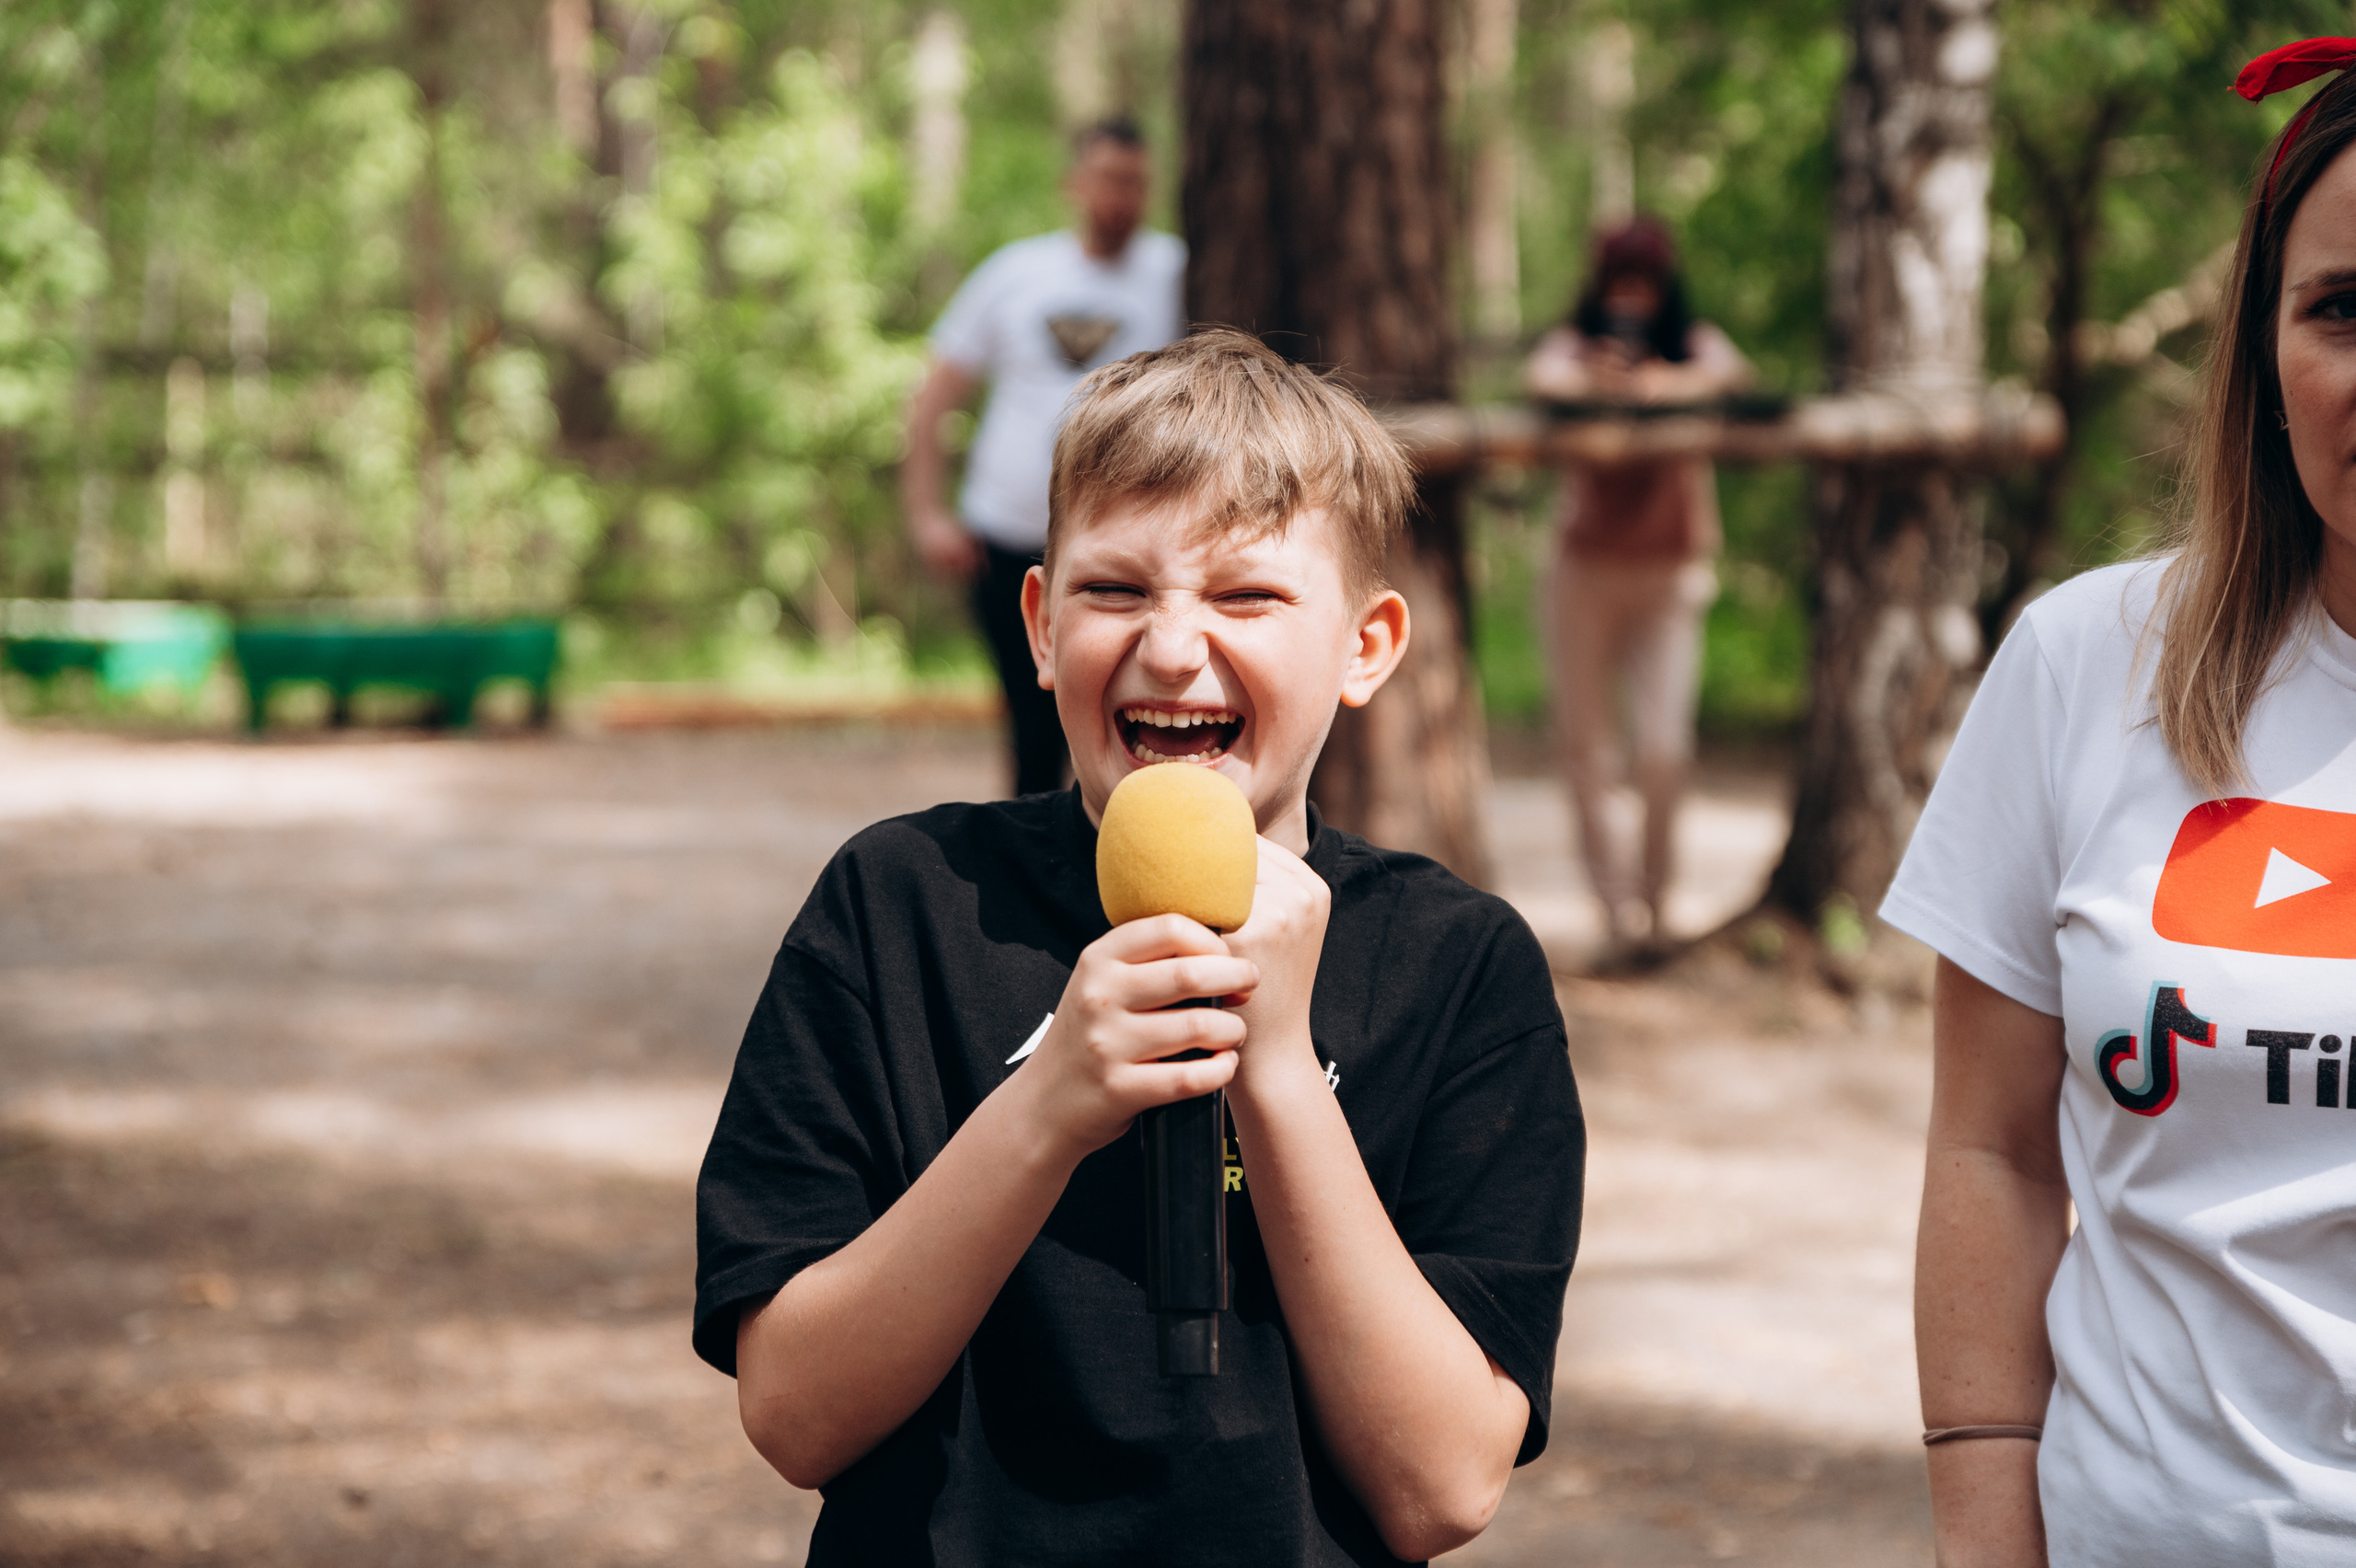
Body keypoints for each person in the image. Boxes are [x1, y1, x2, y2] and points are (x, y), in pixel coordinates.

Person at [697, 330, 1584, 1564]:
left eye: (1247, 596)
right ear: (1042, 625)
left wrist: (1277, 1074)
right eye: (1115, 590)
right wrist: (1048, 1102)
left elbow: (1439, 1488)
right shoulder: (900, 905)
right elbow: (795, 1415)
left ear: (1366, 647)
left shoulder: (1460, 967)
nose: (1173, 646)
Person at [1888, 40, 2356, 1566]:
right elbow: (1993, 1150)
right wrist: (1982, 1526)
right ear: (2262, 348)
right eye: (2343, 310)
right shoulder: (2090, 661)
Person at [902, 117, 1186, 797]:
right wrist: (926, 515)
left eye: (1136, 184)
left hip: (1124, 546)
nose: (1122, 198)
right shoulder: (1016, 274)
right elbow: (932, 398)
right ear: (1075, 184)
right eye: (1109, 180)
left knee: (1120, 716)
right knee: (1032, 717)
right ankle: (1033, 882)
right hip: (1004, 540)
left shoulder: (1175, 272)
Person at [1523, 216, 1750, 954]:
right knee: (1587, 749)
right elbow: (1539, 376)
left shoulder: (1693, 340)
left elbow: (1735, 375)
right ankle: (1616, 913)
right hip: (1583, 570)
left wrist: (1665, 385)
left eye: (1642, 282)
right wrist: (1597, 380)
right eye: (1619, 281)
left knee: (1663, 748)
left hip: (1670, 571)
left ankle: (1655, 906)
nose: (1631, 298)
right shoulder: (1576, 341)